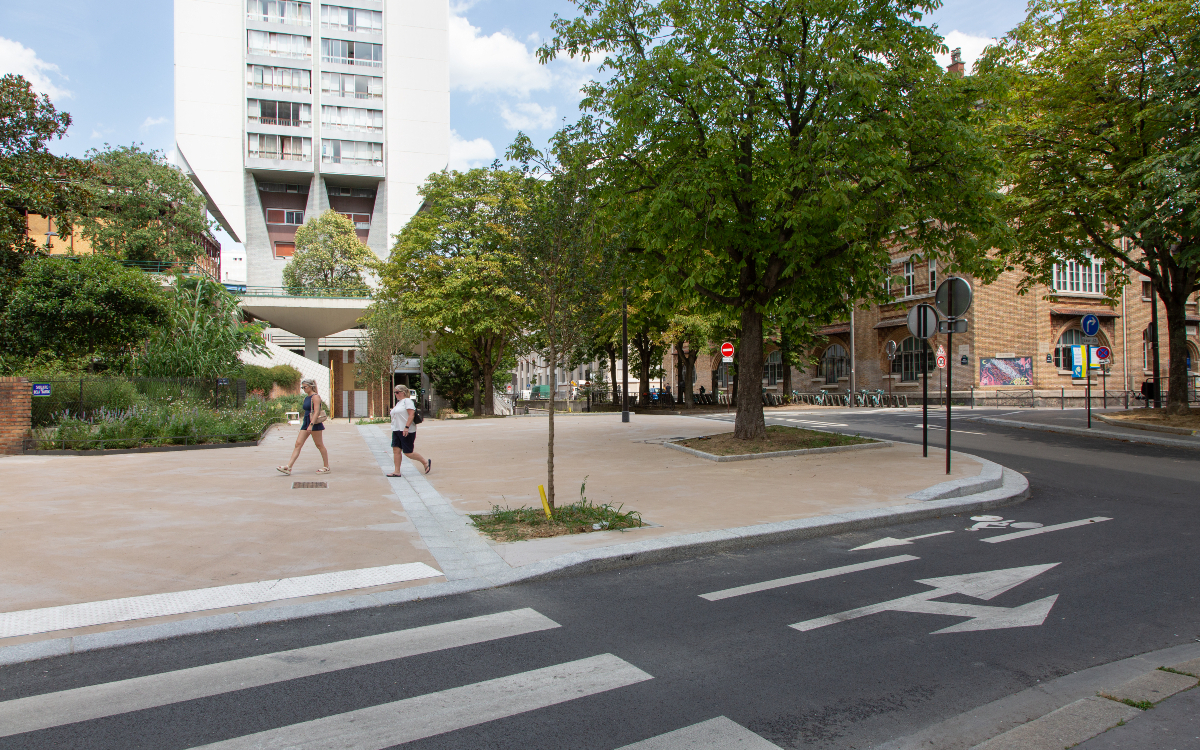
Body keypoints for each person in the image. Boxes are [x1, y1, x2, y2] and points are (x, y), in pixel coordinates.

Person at [277, 378, 329, 475]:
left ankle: (326, 466)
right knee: (298, 444)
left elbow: (316, 411)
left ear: (310, 387)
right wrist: (307, 425)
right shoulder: (306, 398)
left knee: (319, 445)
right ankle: (288, 467)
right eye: (302, 387)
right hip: (306, 423)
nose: (303, 389)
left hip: (314, 424)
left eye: (305, 387)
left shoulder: (315, 397)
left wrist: (311, 425)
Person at [388, 384, 431, 476]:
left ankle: (425, 462)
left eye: (397, 392)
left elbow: (411, 414)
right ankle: (397, 471)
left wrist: (406, 427)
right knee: (396, 450)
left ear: (403, 392)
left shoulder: (407, 401)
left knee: (408, 452)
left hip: (406, 430)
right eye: (395, 392)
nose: (395, 394)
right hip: (396, 430)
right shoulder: (399, 403)